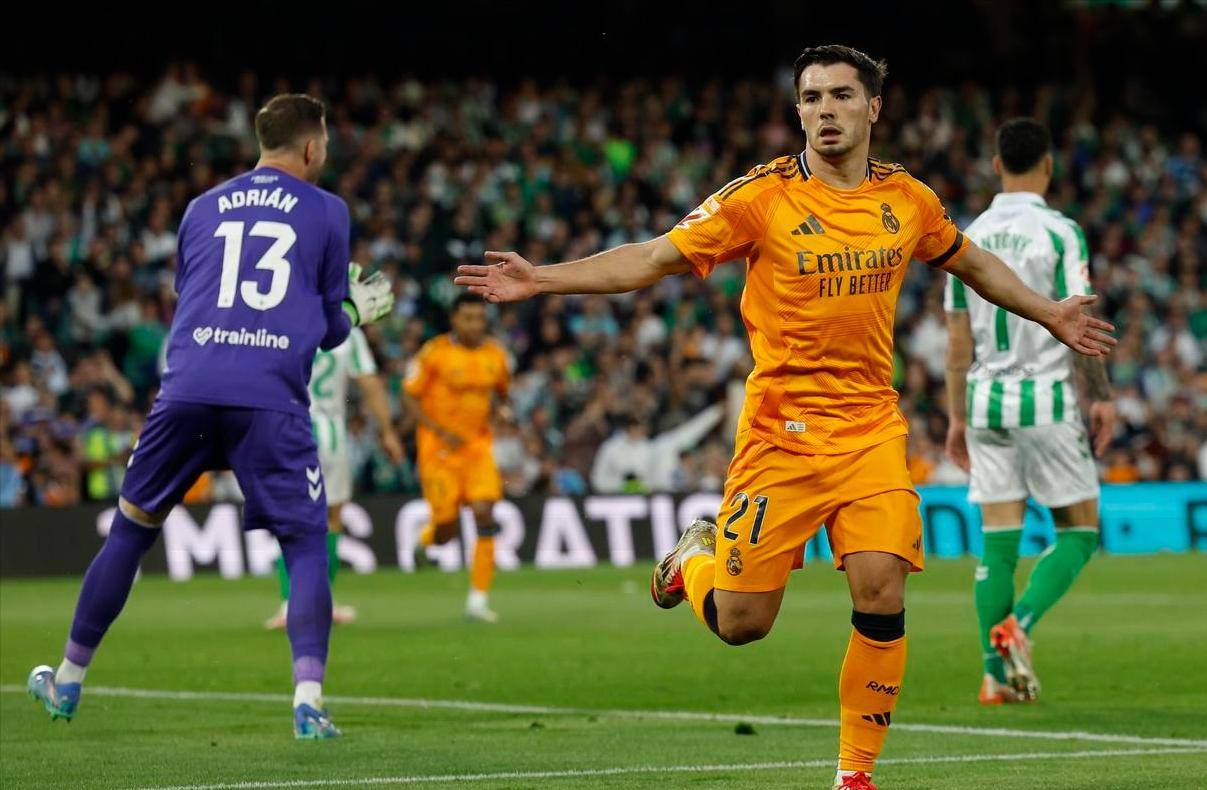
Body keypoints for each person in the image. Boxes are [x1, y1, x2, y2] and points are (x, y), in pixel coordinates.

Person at [454, 45, 1115, 789]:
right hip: (781, 436)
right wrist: (542, 279)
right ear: (798, 111)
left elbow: (973, 263)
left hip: (870, 429)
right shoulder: (760, 197)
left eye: (841, 95)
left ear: (873, 107)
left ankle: (854, 775)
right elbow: (654, 257)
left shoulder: (908, 199)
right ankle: (692, 559)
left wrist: (1049, 312)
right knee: (742, 623)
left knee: (881, 588)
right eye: (811, 98)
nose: (825, 110)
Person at [26, 94, 394, 740]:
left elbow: (199, 297)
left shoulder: (200, 208)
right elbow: (328, 329)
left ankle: (69, 678)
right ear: (311, 147)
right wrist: (357, 310)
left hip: (187, 391)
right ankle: (308, 702)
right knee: (306, 543)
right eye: (326, 143)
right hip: (269, 398)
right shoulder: (328, 211)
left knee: (130, 530)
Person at [943, 118, 1115, 706]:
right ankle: (1019, 625)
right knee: (1080, 531)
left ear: (997, 165)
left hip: (984, 401)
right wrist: (1102, 396)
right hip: (1045, 399)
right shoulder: (1060, 232)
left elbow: (957, 343)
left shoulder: (967, 236)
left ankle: (994, 677)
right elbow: (1079, 318)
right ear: (1048, 166)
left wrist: (956, 418)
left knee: (998, 542)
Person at [264, 322, 404, 629]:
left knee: (292, 518)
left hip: (290, 429)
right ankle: (319, 602)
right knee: (332, 519)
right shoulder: (348, 332)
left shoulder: (285, 322)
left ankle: (291, 604)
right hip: (332, 435)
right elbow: (370, 383)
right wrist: (388, 431)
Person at [404, 294, 511, 623]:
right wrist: (438, 429)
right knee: (446, 529)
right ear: (454, 319)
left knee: (484, 511)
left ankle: (478, 600)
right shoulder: (434, 352)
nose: (475, 325)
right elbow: (410, 397)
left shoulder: (495, 354)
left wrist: (500, 412)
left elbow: (502, 393)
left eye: (479, 318)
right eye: (468, 318)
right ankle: (427, 540)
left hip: (477, 449)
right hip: (438, 451)